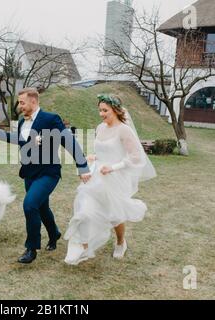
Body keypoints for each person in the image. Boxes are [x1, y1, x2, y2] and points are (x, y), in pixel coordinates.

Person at [0, 88, 91, 264]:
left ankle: (31, 248)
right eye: (19, 102)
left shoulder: (51, 119)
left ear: (33, 101)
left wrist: (82, 166)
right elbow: (21, 140)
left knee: (29, 205)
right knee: (42, 208)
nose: (19, 106)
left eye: (22, 102)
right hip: (29, 173)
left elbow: (69, 140)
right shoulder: (22, 122)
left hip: (48, 172)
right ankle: (54, 234)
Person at [64, 94, 156, 265]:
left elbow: (136, 157)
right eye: (100, 110)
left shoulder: (124, 130)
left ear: (115, 109)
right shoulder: (100, 128)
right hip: (96, 176)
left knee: (114, 215)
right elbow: (101, 152)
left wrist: (114, 167)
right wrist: (93, 157)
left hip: (115, 178)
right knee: (84, 210)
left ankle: (121, 242)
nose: (101, 114)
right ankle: (84, 248)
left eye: (105, 110)